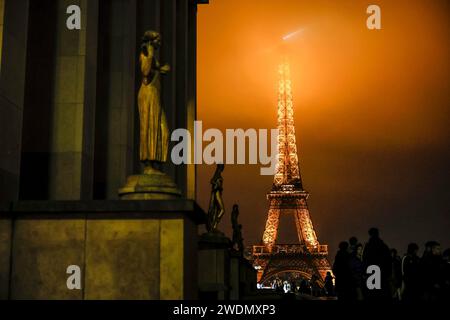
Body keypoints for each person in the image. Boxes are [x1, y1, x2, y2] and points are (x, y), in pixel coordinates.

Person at [362, 228, 392, 301]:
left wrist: (365, 273)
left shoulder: (368, 247)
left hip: (371, 275)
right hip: (382, 274)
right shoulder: (383, 246)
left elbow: (364, 260)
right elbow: (388, 260)